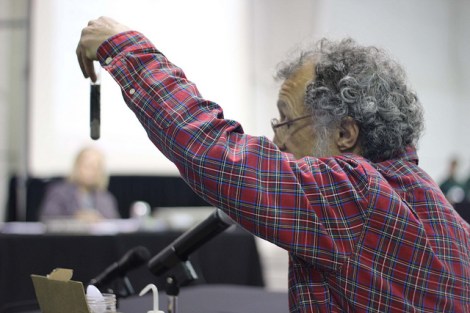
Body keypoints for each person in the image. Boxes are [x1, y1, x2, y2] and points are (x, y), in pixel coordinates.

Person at [76, 17, 470, 312]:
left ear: (345, 136)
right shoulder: (428, 202)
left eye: (286, 120)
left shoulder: (356, 193)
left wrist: (122, 47)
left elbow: (214, 154)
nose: (276, 139)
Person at [39, 146, 120, 222]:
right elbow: (48, 219)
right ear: (77, 166)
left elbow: (114, 224)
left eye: (96, 167)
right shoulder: (59, 193)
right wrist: (76, 219)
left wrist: (99, 220)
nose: (92, 172)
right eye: (88, 166)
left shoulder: (106, 199)